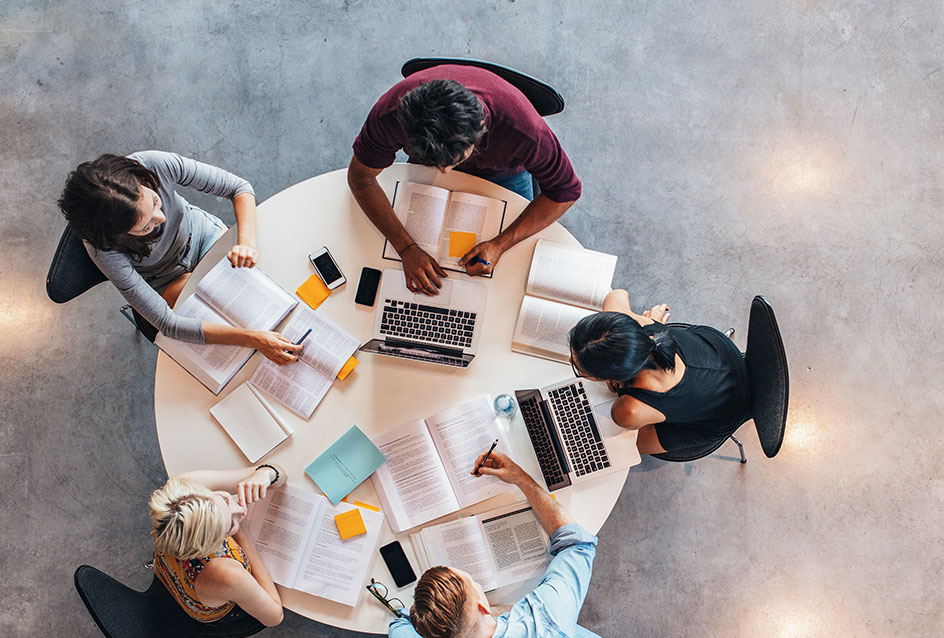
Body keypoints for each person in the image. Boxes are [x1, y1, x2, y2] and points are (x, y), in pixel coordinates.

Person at [387, 451, 608, 638]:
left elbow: (398, 627)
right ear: (482, 604)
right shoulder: (546, 620)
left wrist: (415, 616)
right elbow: (577, 545)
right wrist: (521, 479)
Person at [348, 65, 582, 295]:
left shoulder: (525, 131)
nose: (446, 173)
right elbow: (361, 178)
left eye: (454, 160)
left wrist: (500, 244)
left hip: (505, 174)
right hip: (434, 171)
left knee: (510, 271)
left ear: (481, 128)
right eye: (437, 163)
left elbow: (565, 192)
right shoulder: (390, 113)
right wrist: (406, 248)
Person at [58, 151, 300, 365]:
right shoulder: (104, 250)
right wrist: (254, 340)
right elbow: (168, 323)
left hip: (205, 237)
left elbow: (239, 188)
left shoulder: (153, 164)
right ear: (117, 237)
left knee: (268, 286)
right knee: (232, 326)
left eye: (155, 201)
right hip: (164, 279)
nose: (161, 218)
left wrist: (246, 243)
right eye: (146, 227)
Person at [569, 290, 752, 455]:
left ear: (609, 377)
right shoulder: (640, 326)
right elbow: (616, 295)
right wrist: (651, 323)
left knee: (618, 447)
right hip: (720, 353)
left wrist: (621, 386)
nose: (570, 361)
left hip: (724, 414)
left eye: (578, 369)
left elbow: (626, 414)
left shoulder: (627, 411)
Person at [148, 464, 286, 627]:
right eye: (230, 525)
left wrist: (266, 474)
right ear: (212, 546)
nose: (241, 510)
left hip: (167, 567)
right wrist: (243, 535)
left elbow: (279, 473)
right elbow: (275, 617)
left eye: (225, 499)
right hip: (208, 606)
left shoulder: (184, 487)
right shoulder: (228, 575)